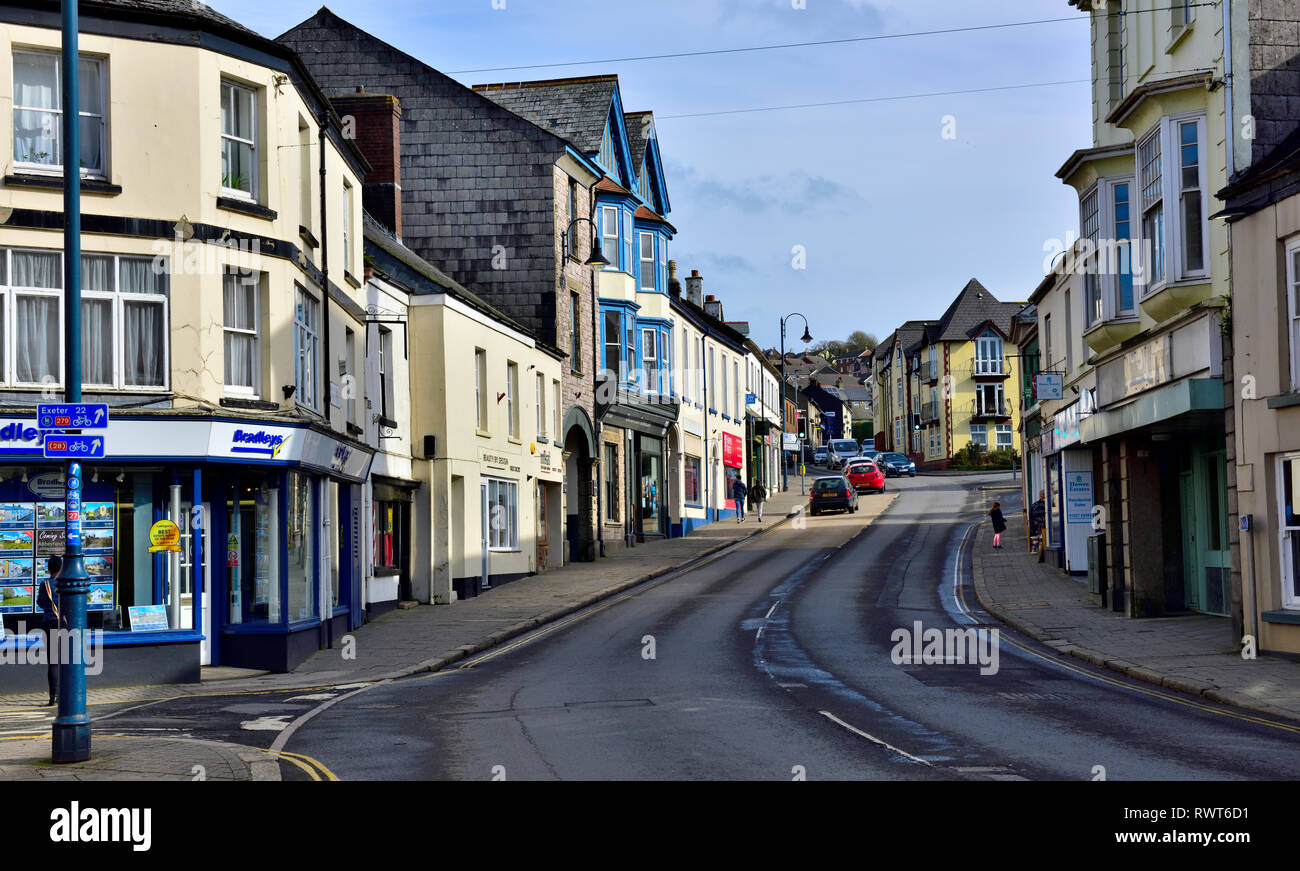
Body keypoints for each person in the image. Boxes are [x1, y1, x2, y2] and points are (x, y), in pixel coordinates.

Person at [35, 555, 63, 707]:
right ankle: (65, 694)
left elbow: (40, 602)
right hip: (64, 625)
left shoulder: (44, 584)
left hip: (48, 623)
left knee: (53, 662)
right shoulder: (63, 583)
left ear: (49, 569)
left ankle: (53, 696)